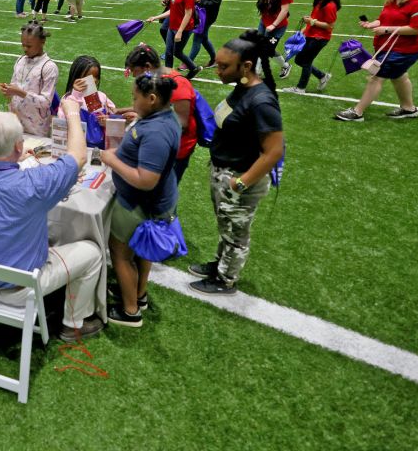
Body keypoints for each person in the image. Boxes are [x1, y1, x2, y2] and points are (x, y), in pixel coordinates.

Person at [0, 100, 105, 342]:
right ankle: (73, 323)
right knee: (93, 252)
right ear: (19, 146)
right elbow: (78, 156)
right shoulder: (33, 184)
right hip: (18, 287)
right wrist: (71, 112)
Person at [189, 30, 284, 294]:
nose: (217, 71)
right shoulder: (242, 89)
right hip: (225, 172)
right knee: (227, 227)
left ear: (246, 66)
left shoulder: (261, 101)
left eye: (223, 66)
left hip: (240, 178)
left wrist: (241, 183)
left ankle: (225, 280)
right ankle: (220, 264)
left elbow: (273, 151)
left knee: (236, 233)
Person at [99, 73, 180, 326]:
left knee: (121, 254)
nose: (133, 103)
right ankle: (139, 294)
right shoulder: (166, 117)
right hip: (155, 201)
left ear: (153, 99)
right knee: (141, 251)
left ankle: (130, 310)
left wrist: (112, 159)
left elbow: (146, 179)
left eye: (136, 98)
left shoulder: (156, 131)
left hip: (138, 203)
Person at [334, 0, 418, 122]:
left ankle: (357, 112)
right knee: (399, 77)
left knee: (376, 77)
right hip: (388, 47)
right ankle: (409, 109)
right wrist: (371, 24)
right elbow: (384, 19)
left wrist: (387, 30)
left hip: (404, 50)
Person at [123, 44, 197, 181]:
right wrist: (118, 111)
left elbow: (182, 123)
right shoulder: (156, 79)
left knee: (162, 189)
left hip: (176, 151)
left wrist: (141, 119)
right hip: (162, 144)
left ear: (147, 67)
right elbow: (153, 107)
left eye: (134, 70)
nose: (133, 75)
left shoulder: (178, 85)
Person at [281, 0, 340, 94]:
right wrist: (304, 29)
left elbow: (330, 26)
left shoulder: (330, 6)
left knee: (306, 61)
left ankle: (300, 88)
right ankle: (322, 76)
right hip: (311, 35)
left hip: (319, 38)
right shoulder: (320, 0)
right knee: (299, 60)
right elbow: (315, 18)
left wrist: (312, 22)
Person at [0, 22, 59, 137]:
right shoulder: (20, 60)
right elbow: (14, 85)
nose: (25, 49)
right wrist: (8, 90)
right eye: (23, 45)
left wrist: (19, 92)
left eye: (29, 46)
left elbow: (46, 103)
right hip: (16, 123)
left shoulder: (49, 67)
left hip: (36, 129)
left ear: (42, 42)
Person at [56, 55, 116, 148]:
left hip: (100, 146)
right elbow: (62, 121)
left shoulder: (102, 97)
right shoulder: (68, 99)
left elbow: (114, 115)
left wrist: (108, 119)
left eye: (96, 76)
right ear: (76, 77)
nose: (93, 81)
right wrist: (76, 95)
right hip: (77, 146)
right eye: (87, 77)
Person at [147, 0, 198, 77]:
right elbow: (172, 11)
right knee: (169, 52)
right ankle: (168, 75)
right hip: (172, 27)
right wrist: (155, 17)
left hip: (184, 29)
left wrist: (180, 31)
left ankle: (194, 68)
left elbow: (188, 14)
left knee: (177, 52)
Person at [256, 0, 292, 72]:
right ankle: (257, 71)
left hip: (278, 27)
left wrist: (273, 25)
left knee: (268, 49)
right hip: (264, 23)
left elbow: (285, 10)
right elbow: (263, 3)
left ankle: (285, 66)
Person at [189, 0, 224, 69]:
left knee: (197, 38)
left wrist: (201, 1)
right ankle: (214, 59)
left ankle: (188, 62)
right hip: (197, 15)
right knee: (204, 38)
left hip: (207, 17)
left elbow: (215, 3)